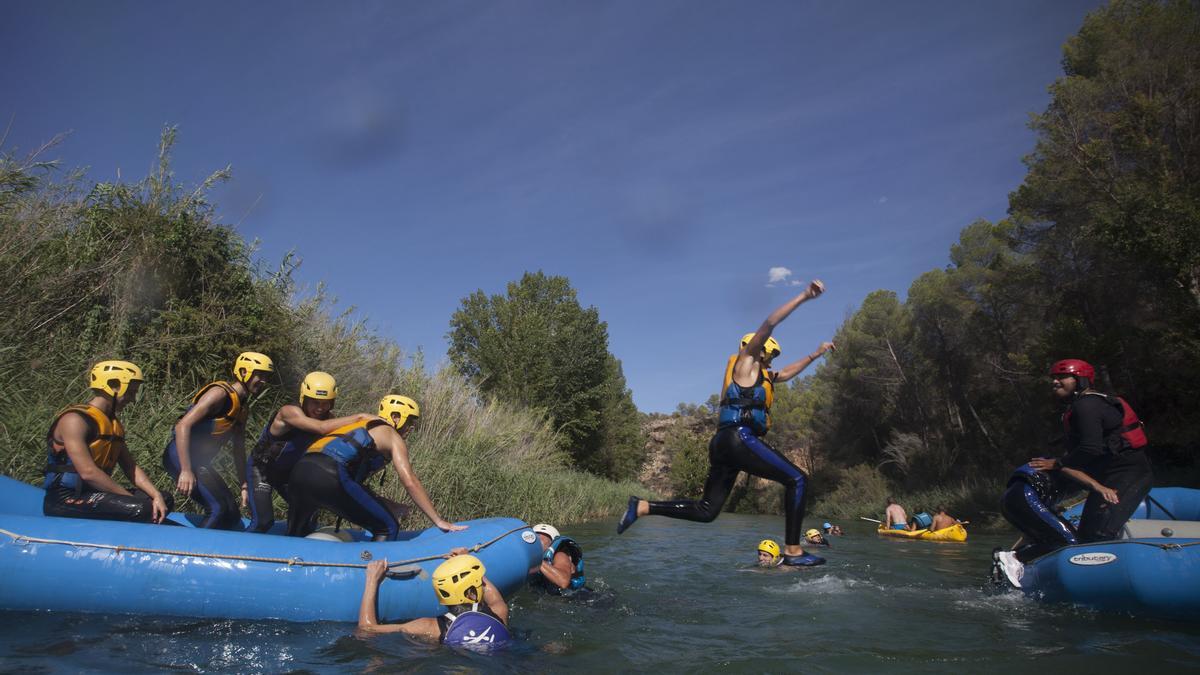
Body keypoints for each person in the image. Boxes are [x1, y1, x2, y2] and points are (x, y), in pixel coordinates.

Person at [617, 280, 835, 567]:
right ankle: (793, 550)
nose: (772, 360)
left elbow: (786, 373)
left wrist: (815, 354)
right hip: (738, 438)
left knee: (707, 510)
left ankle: (643, 507)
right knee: (797, 479)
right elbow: (769, 323)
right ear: (762, 349)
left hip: (723, 444)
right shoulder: (746, 363)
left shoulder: (763, 375)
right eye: (771, 354)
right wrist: (804, 296)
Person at [995, 358, 1153, 587]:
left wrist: (1059, 464)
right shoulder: (1082, 407)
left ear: (1080, 380)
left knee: (1094, 537)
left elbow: (1090, 449)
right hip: (1115, 475)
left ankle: (1098, 583)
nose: (1055, 382)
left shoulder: (1086, 404)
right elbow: (1088, 452)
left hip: (1129, 473)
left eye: (1061, 377)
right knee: (1090, 539)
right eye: (1053, 379)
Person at [285, 394, 464, 541]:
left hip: (299, 472)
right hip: (331, 475)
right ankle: (371, 577)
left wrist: (387, 504)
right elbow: (409, 481)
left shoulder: (356, 426)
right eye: (409, 421)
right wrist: (439, 520)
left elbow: (351, 484)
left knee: (296, 534)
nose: (411, 427)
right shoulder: (392, 435)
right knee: (388, 527)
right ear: (396, 417)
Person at [43, 360, 173, 523]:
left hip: (95, 495)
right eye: (131, 392)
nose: (132, 399)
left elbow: (130, 467)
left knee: (164, 499)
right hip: (66, 498)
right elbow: (88, 472)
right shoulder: (74, 420)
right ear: (113, 385)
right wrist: (131, 500)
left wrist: (156, 495)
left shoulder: (112, 424)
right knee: (142, 508)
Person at [246, 371, 375, 533]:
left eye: (326, 403)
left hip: (288, 475)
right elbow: (319, 428)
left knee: (308, 521)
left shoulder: (329, 420)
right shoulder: (289, 412)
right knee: (263, 522)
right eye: (315, 402)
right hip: (263, 469)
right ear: (304, 398)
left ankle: (290, 554)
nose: (320, 408)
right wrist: (360, 417)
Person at [163, 351, 273, 529]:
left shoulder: (242, 409)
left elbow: (239, 449)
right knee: (218, 509)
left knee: (232, 514)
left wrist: (244, 485)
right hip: (179, 457)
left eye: (266, 377)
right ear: (244, 372)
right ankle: (194, 553)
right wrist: (185, 470)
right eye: (259, 375)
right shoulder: (219, 394)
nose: (263, 381)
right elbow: (182, 426)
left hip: (200, 464)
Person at [357, 554, 511, 649]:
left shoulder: (429, 627)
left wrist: (372, 580)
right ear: (471, 593)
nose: (482, 586)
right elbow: (494, 597)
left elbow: (367, 629)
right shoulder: (500, 614)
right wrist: (465, 562)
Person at [530, 523, 586, 593]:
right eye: (535, 535)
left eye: (542, 536)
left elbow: (563, 582)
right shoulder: (531, 560)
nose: (537, 538)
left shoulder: (561, 555)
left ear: (552, 542)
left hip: (580, 598)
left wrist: (536, 559)